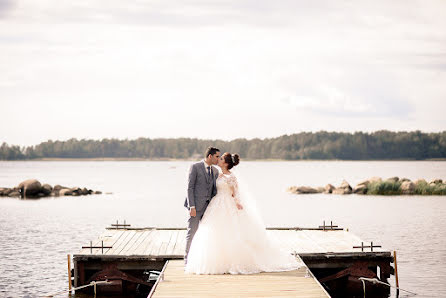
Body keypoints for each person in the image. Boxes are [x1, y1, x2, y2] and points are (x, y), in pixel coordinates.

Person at [185, 152, 304, 274]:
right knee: (213, 230)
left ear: (225, 163)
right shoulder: (217, 174)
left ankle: (231, 261)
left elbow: (235, 192)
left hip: (227, 203)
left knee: (230, 232)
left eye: (221, 159)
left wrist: (237, 202)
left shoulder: (231, 177)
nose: (218, 160)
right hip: (216, 204)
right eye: (218, 157)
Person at [184, 146, 220, 264]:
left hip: (208, 208)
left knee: (207, 234)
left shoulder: (215, 171)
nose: (218, 159)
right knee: (192, 233)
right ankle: (187, 260)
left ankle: (203, 260)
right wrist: (192, 206)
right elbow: (190, 187)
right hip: (195, 207)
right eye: (217, 156)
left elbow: (214, 190)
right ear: (210, 156)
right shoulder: (195, 167)